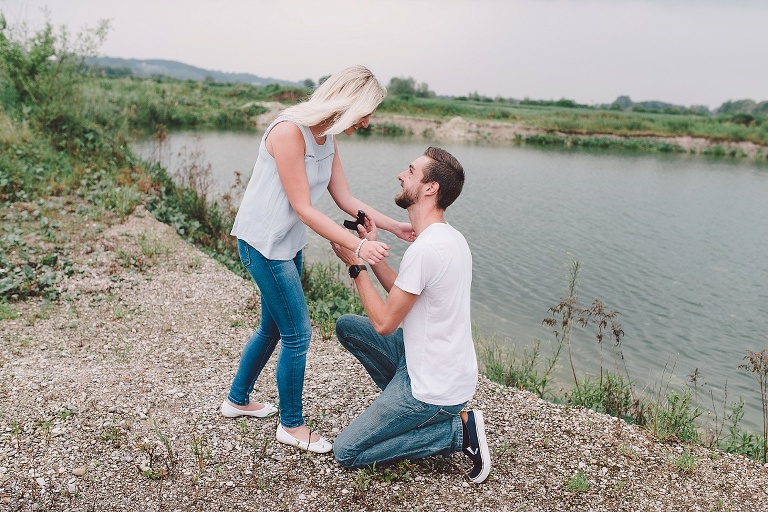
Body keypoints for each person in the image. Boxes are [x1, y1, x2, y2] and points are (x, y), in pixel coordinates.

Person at [221, 65, 414, 454]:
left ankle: (237, 400)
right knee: (298, 334)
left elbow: (344, 199)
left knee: (273, 328)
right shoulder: (289, 131)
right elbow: (304, 208)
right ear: (348, 104)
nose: (367, 121)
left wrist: (394, 226)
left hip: (287, 243)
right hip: (262, 245)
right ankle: (291, 425)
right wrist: (358, 247)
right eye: (366, 112)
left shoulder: (326, 137)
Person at [330, 147, 491, 483]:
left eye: (411, 171)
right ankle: (408, 414)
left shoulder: (427, 248)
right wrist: (371, 249)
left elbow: (385, 323)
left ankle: (456, 433)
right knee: (348, 326)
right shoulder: (449, 238)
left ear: (430, 188)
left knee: (347, 451)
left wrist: (356, 266)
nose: (401, 175)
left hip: (434, 387)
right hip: (432, 364)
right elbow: (404, 297)